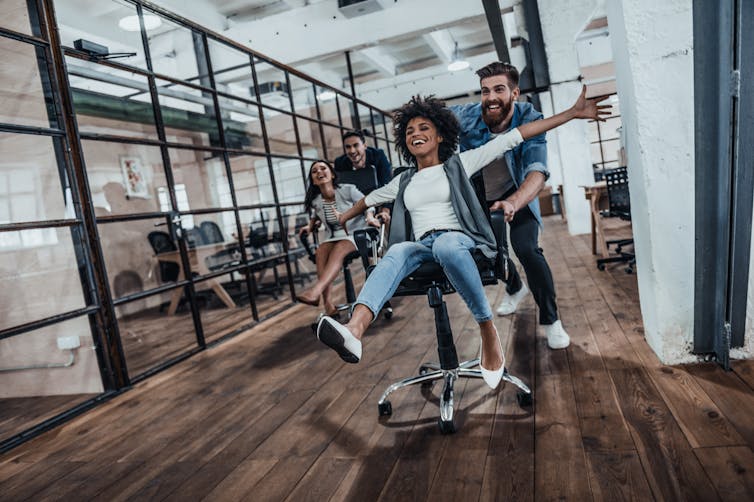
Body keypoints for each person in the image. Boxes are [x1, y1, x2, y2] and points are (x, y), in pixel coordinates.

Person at [316, 89, 609, 390]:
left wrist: (571, 113)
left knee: (445, 244)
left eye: (424, 128)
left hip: (459, 241)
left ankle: (486, 329)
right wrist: (344, 216)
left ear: (440, 135)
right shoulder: (403, 180)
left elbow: (516, 136)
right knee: (399, 250)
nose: (415, 133)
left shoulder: (461, 163)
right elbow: (367, 200)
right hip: (422, 247)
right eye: (409, 130)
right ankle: (354, 330)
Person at [451, 61, 574, 350]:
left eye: (498, 89)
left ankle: (552, 319)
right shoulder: (468, 116)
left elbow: (537, 171)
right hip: (479, 198)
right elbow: (433, 117)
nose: (490, 97)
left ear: (514, 93)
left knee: (527, 249)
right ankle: (515, 288)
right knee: (491, 256)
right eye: (484, 91)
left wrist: (514, 202)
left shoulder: (530, 118)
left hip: (515, 193)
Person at [296, 160, 379, 316]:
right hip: (333, 236)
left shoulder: (348, 190)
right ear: (313, 180)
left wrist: (370, 217)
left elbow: (367, 203)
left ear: (332, 174)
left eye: (323, 168)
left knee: (340, 248)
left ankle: (316, 291)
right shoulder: (316, 201)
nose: (319, 172)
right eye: (314, 171)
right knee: (321, 251)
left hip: (356, 233)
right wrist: (310, 225)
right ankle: (328, 306)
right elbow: (317, 216)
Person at [334, 130, 393, 224]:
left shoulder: (378, 156)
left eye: (356, 145)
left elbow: (388, 185)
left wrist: (385, 212)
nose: (352, 151)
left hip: (380, 202)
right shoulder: (340, 163)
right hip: (357, 208)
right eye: (348, 147)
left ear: (364, 145)